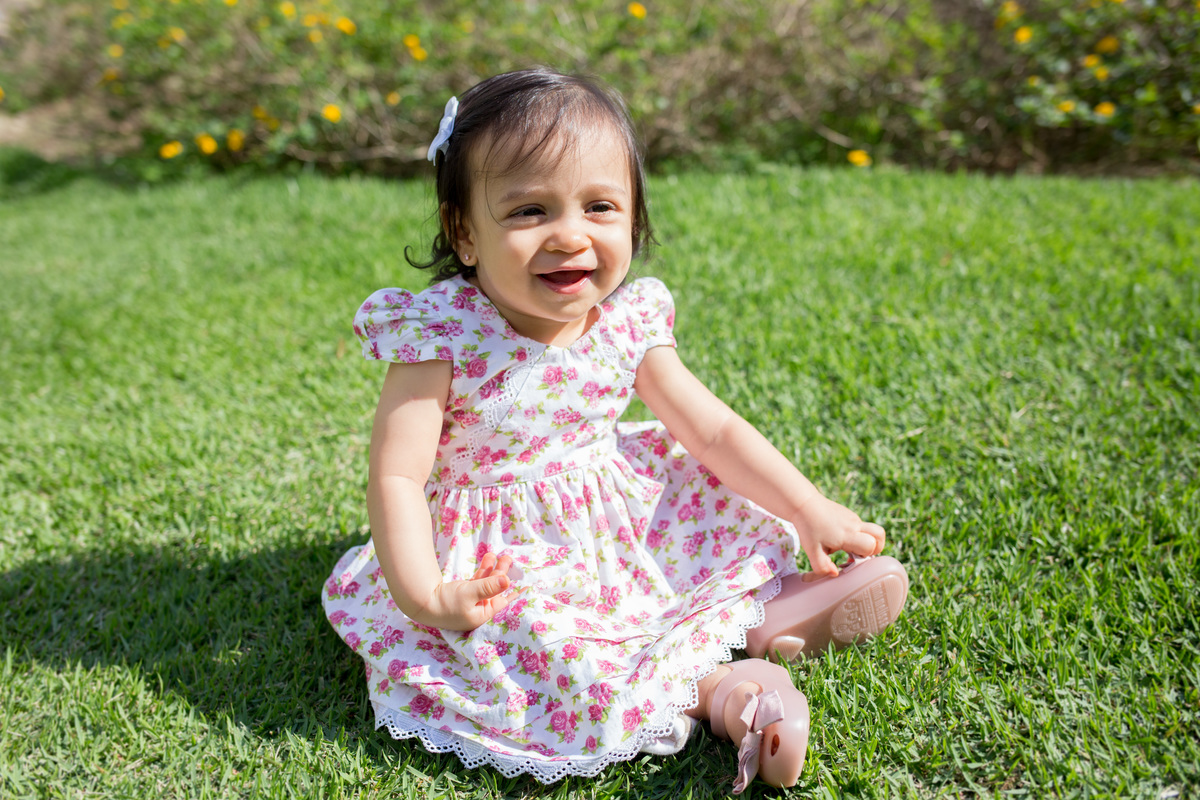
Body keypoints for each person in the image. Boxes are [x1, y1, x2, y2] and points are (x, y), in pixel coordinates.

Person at [323, 67, 908, 793]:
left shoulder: (626, 322)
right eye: (530, 211)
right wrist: (423, 593)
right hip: (504, 553)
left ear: (632, 219)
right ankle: (732, 693)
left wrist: (808, 506)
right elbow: (397, 475)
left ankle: (773, 607)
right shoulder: (442, 335)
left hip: (616, 515)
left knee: (714, 522)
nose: (570, 236)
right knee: (548, 647)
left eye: (599, 206)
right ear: (464, 232)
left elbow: (714, 431)